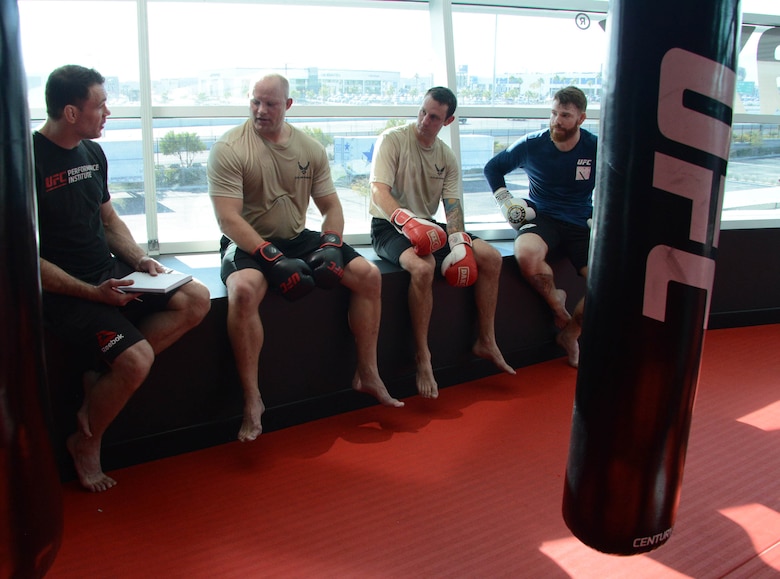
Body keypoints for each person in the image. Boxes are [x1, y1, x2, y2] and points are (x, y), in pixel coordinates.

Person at [34, 65, 211, 492]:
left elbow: (109, 220)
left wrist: (139, 259)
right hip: (65, 291)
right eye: (100, 104)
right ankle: (85, 440)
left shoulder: (91, 153)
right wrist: (93, 294)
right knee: (136, 361)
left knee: (197, 298)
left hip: (108, 273)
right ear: (72, 112)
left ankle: (102, 374)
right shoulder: (26, 161)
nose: (108, 112)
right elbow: (27, 261)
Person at [208, 73, 404, 442]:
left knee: (368, 276)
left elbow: (331, 206)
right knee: (244, 291)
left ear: (288, 106)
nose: (261, 110)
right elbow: (227, 218)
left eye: (270, 104)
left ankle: (367, 372)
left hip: (298, 237)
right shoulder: (230, 148)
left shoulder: (309, 148)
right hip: (249, 241)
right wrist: (270, 258)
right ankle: (253, 400)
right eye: (255, 102)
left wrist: (330, 244)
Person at [369, 86, 516, 399]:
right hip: (388, 225)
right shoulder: (393, 139)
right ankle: (423, 356)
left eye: (434, 117)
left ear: (447, 122)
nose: (424, 120)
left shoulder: (446, 158)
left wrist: (460, 243)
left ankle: (486, 340)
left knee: (491, 257)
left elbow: (452, 208)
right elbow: (378, 191)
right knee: (423, 269)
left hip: (429, 226)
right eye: (423, 111)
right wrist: (407, 221)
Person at [483, 85, 596, 368]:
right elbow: (492, 168)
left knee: (607, 285)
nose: (557, 120)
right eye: (554, 113)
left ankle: (570, 334)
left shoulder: (595, 147)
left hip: (581, 221)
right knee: (525, 252)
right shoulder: (532, 144)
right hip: (543, 216)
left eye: (566, 115)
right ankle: (557, 304)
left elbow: (620, 180)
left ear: (581, 119)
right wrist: (505, 200)